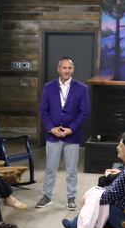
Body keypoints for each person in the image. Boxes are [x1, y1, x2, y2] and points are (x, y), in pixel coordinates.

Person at [37, 57, 89, 210]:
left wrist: (71, 129)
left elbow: (84, 112)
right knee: (50, 168)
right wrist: (50, 128)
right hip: (53, 134)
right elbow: (43, 110)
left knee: (72, 169)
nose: (66, 71)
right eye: (64, 68)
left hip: (72, 135)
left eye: (69, 68)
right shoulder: (48, 87)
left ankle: (71, 197)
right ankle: (47, 196)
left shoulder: (82, 88)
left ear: (73, 70)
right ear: (58, 69)